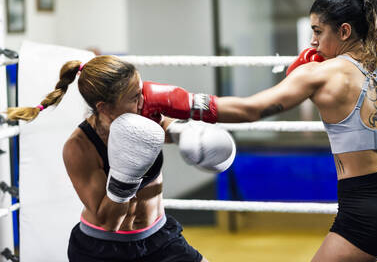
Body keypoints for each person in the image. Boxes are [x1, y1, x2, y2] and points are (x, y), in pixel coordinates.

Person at [140, 0, 377, 262]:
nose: (312, 41)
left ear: (345, 31)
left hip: (366, 208)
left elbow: (250, 110)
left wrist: (176, 101)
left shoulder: (321, 74)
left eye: (318, 31)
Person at [7, 55, 236, 262]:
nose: (144, 102)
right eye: (135, 97)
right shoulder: (78, 147)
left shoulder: (145, 116)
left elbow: (176, 128)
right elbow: (109, 223)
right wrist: (126, 175)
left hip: (159, 239)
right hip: (103, 250)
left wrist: (191, 134)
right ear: (104, 107)